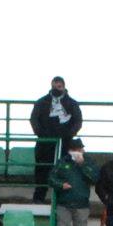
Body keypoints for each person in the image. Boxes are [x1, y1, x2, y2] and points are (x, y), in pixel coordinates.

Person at [28, 76, 82, 205]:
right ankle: (39, 197)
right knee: (42, 170)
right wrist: (42, 134)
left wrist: (68, 135)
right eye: (54, 86)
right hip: (45, 142)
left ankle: (62, 198)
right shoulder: (41, 102)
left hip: (65, 142)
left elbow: (78, 121)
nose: (56, 89)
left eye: (59, 87)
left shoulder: (72, 103)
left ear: (63, 86)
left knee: (65, 170)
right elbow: (34, 120)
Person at [50, 141, 97, 226]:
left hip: (82, 205)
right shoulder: (62, 162)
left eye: (81, 149)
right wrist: (61, 185)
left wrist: (82, 164)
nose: (81, 151)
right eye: (78, 149)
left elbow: (94, 178)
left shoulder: (88, 162)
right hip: (64, 205)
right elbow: (51, 178)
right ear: (71, 150)